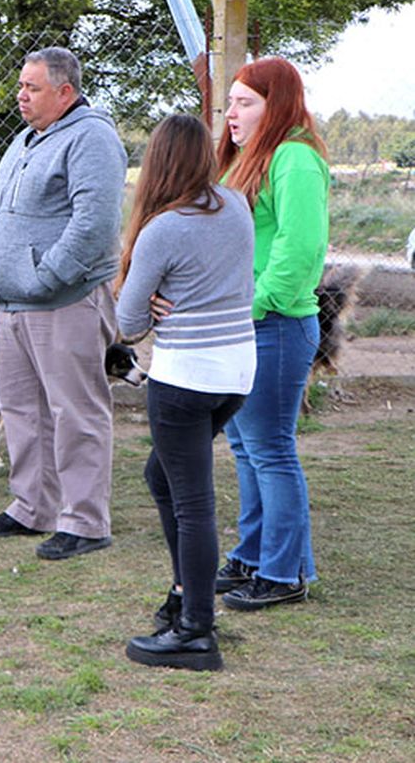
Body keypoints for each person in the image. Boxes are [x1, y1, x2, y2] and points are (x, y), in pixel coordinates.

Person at [0, 47, 127, 559]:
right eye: (21, 86)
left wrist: (48, 274)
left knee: (75, 411)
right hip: (12, 304)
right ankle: (33, 506)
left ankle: (85, 520)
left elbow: (95, 222)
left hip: (65, 301)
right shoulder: (24, 139)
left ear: (65, 91)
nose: (21, 95)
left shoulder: (92, 138)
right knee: (21, 409)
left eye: (32, 88)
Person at [113, 114, 255, 671]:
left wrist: (144, 301)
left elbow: (126, 324)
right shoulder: (236, 205)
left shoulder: (162, 228)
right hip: (237, 373)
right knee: (160, 476)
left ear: (157, 164)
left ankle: (197, 630)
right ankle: (182, 595)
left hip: (184, 377)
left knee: (193, 501)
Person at [212, 57, 329, 611]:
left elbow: (299, 252)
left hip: (275, 325)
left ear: (275, 104)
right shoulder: (253, 158)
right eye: (231, 102)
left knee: (271, 450)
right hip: (245, 323)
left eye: (245, 102)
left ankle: (284, 574)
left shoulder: (295, 158)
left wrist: (251, 307)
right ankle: (254, 555)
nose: (231, 113)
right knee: (246, 448)